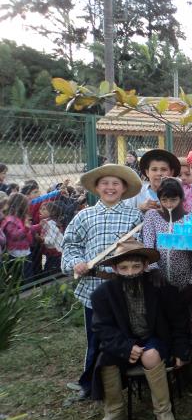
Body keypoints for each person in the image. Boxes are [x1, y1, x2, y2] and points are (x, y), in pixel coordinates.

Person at [86, 238, 191, 420]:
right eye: (124, 268)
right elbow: (102, 328)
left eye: (136, 266)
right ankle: (114, 413)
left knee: (150, 356)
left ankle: (163, 412)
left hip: (154, 339)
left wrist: (181, 348)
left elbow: (179, 319)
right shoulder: (102, 294)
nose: (130, 272)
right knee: (106, 359)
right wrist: (126, 347)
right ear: (115, 269)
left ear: (145, 266)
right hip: (123, 340)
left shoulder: (160, 287)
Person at [61, 164, 143, 399]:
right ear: (96, 188)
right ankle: (90, 383)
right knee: (96, 336)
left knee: (125, 335)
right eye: (105, 183)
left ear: (124, 188)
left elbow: (141, 247)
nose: (110, 187)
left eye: (116, 183)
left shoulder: (135, 216)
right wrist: (76, 262)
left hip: (125, 286)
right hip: (93, 287)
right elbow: (71, 245)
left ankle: (125, 380)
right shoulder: (84, 216)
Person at [141, 178, 192, 305]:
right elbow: (148, 243)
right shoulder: (152, 216)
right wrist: (153, 269)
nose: (169, 204)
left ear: (181, 198)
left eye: (173, 200)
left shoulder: (190, 219)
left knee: (182, 317)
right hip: (158, 280)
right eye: (164, 200)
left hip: (184, 281)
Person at [126, 149, 180, 213]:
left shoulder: (180, 193)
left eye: (163, 169)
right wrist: (140, 208)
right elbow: (124, 215)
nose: (159, 173)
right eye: (154, 169)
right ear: (147, 172)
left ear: (171, 172)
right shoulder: (137, 193)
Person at [1, 193, 37, 282]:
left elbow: (27, 228)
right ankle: (26, 290)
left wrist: (38, 226)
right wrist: (26, 228)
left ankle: (28, 287)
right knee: (23, 275)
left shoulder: (19, 217)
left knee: (27, 273)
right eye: (26, 205)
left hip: (24, 251)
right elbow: (14, 235)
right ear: (20, 206)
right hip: (17, 253)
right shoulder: (10, 220)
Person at [38, 201, 64, 276]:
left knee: (51, 266)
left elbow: (52, 240)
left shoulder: (51, 223)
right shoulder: (45, 222)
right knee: (51, 265)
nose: (40, 211)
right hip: (52, 249)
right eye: (40, 209)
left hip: (56, 249)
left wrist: (42, 239)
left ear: (52, 212)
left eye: (44, 209)